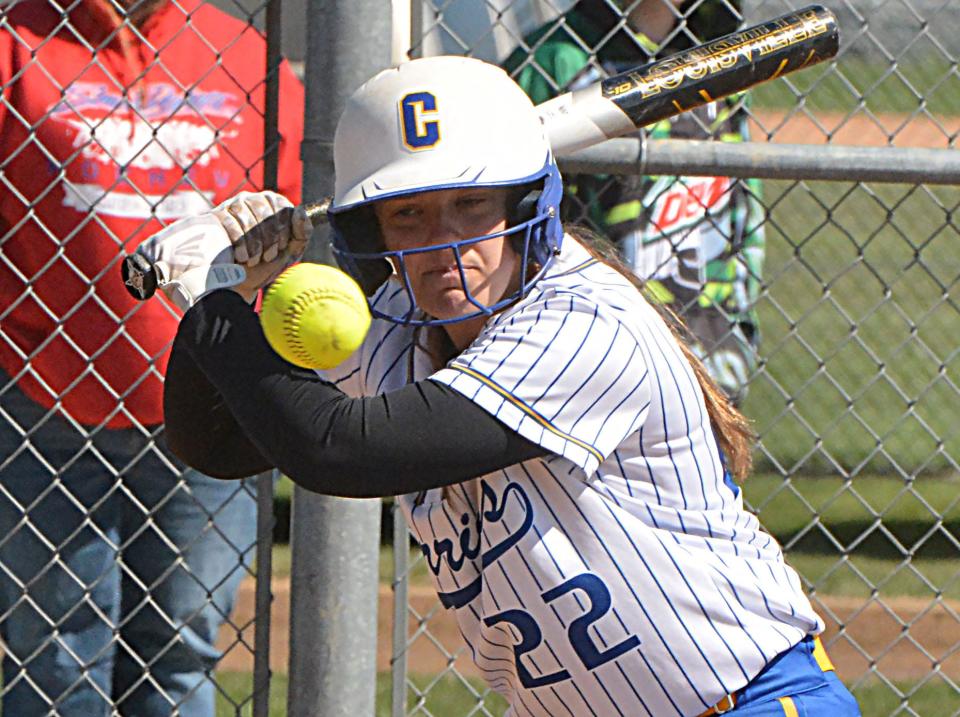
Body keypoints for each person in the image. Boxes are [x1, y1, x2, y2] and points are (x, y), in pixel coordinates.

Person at [149, 56, 859, 716]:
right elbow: (214, 439)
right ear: (377, 235)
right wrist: (233, 296)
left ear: (525, 208)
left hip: (748, 702)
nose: (445, 242)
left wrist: (211, 311)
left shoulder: (581, 321)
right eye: (410, 214)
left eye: (472, 205)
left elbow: (340, 451)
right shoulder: (398, 322)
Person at [0, 0, 304, 712]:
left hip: (207, 399)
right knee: (55, 655)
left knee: (181, 655)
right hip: (41, 402)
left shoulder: (244, 54)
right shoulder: (18, 42)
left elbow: (292, 212)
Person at [503, 0, 765, 403]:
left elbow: (745, 204)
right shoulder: (555, 57)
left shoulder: (723, 53)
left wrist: (740, 320)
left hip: (707, 332)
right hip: (592, 331)